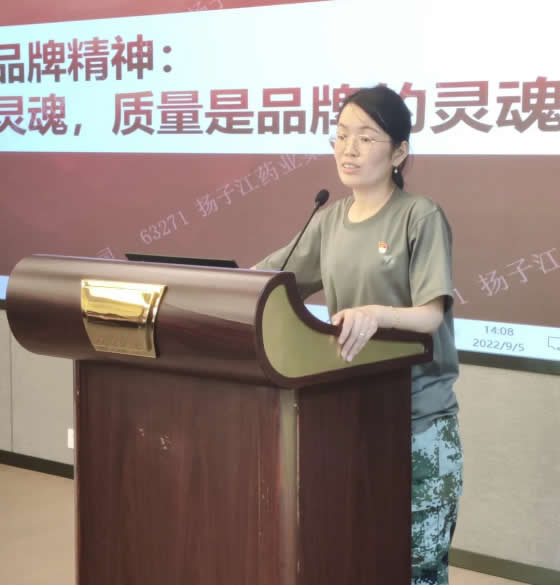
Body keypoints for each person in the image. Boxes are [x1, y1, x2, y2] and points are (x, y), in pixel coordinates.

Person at [253, 85, 463, 585]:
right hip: (349, 415)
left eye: (366, 138)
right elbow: (267, 282)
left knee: (416, 568)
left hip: (418, 424)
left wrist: (375, 313)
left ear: (399, 153)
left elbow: (430, 315)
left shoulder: (420, 216)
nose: (348, 149)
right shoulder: (328, 220)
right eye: (341, 135)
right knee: (355, 557)